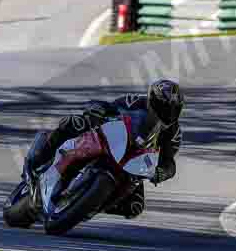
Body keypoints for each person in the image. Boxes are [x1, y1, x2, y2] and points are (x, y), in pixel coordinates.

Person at [23, 79, 184, 219]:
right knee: (74, 123)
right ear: (151, 100)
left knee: (135, 206)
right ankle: (37, 160)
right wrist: (97, 112)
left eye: (172, 109)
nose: (167, 112)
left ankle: (90, 205)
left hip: (134, 164)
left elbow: (168, 161)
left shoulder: (174, 133)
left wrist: (163, 172)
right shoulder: (134, 102)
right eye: (163, 106)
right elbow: (109, 107)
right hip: (114, 142)